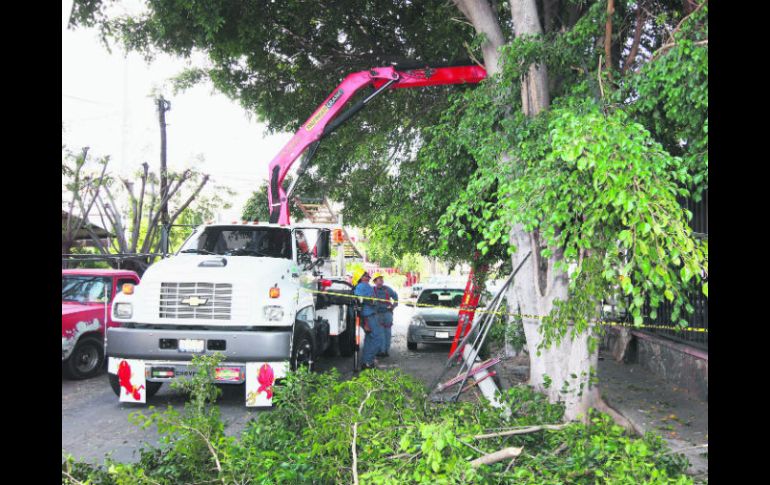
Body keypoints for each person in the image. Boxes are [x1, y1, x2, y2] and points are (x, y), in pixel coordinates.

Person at [352, 268, 381, 370]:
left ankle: (366, 362)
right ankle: (368, 361)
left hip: (368, 316)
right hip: (368, 317)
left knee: (369, 339)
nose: (368, 277)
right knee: (377, 339)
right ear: (361, 277)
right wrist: (365, 323)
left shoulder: (362, 286)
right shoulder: (362, 286)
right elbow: (360, 302)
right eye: (366, 275)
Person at [372, 272, 398, 357]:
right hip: (378, 314)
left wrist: (393, 306)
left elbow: (396, 297)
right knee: (380, 333)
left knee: (387, 333)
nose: (381, 281)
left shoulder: (388, 289)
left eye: (382, 279)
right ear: (375, 281)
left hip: (387, 314)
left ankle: (385, 351)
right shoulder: (372, 290)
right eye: (379, 279)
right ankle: (382, 351)